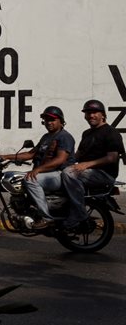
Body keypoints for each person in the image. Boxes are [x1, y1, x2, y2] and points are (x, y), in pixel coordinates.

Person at [59, 99, 123, 231]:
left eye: (94, 112)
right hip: (87, 172)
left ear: (103, 115)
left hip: (103, 174)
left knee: (69, 173)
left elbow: (112, 158)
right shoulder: (87, 133)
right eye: (88, 113)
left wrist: (86, 165)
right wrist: (60, 163)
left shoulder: (111, 132)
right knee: (59, 173)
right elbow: (78, 154)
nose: (91, 116)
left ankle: (78, 213)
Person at [7, 105, 75, 227]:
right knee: (19, 180)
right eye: (46, 120)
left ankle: (46, 217)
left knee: (30, 179)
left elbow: (60, 159)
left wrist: (38, 169)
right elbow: (30, 154)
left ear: (61, 121)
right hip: (48, 173)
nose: (49, 122)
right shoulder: (46, 137)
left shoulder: (64, 137)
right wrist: (5, 157)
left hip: (60, 174)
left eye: (52, 119)